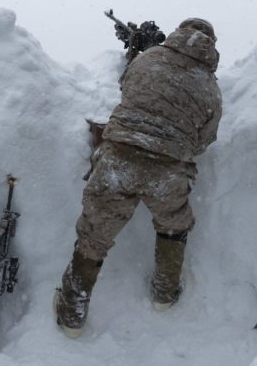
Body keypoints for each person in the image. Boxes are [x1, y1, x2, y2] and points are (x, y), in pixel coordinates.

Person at [54, 17, 223, 338]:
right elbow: (204, 141)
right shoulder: (210, 88)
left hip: (119, 157)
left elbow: (127, 87)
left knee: (94, 234)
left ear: (178, 33)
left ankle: (71, 313)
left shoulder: (149, 59)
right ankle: (164, 294)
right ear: (211, 47)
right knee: (173, 226)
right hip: (170, 169)